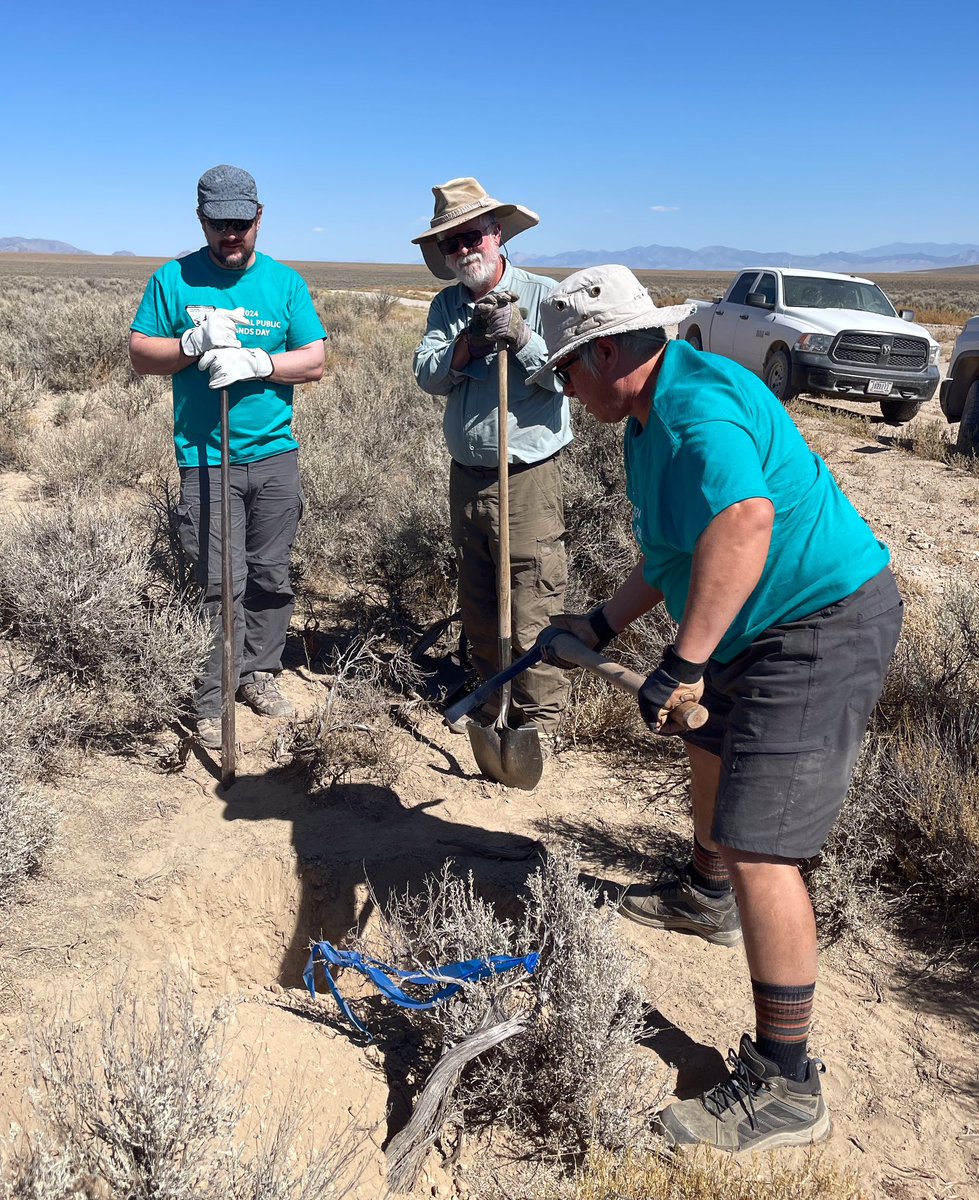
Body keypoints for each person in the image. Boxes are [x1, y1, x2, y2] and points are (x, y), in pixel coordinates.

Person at [531, 265, 903, 1152]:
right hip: (749, 621)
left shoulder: (696, 410)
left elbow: (741, 520)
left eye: (566, 370)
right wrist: (600, 621)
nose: (564, 388)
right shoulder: (645, 415)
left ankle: (785, 1085)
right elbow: (674, 551)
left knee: (760, 847)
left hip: (816, 625)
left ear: (609, 351)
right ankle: (702, 899)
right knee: (709, 754)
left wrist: (684, 662)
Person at [129, 165, 326, 749]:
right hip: (205, 457)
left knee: (270, 574)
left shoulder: (284, 283)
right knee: (217, 581)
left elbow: (313, 359)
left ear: (259, 218)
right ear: (202, 220)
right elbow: (141, 353)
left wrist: (261, 363)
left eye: (241, 223)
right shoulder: (173, 279)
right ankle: (212, 696)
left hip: (274, 456)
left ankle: (259, 674)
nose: (231, 235)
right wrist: (191, 344)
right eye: (220, 224)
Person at [412, 178, 572, 739]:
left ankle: (537, 717)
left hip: (526, 476)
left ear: (496, 234)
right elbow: (428, 375)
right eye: (451, 244)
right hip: (468, 476)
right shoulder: (447, 306)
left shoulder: (545, 296)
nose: (463, 251)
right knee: (478, 595)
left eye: (471, 237)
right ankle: (490, 698)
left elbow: (568, 379)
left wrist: (524, 340)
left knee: (532, 594)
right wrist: (470, 346)